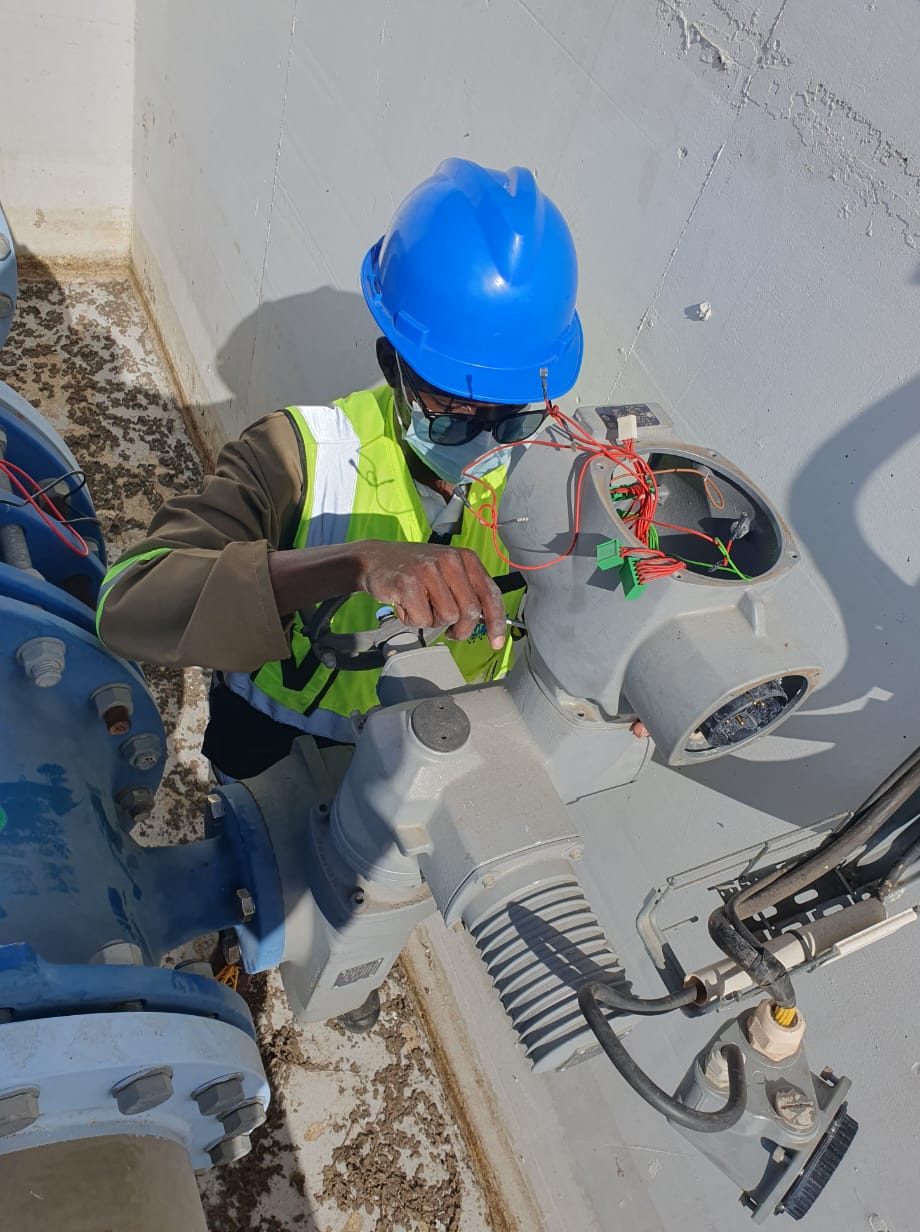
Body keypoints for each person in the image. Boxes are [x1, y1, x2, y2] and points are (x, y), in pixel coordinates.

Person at [96, 158, 589, 780]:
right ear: (394, 365)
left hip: (441, 761)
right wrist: (356, 563)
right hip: (276, 746)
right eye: (456, 414)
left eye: (513, 414)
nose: (488, 441)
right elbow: (129, 603)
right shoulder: (297, 455)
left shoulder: (558, 473)